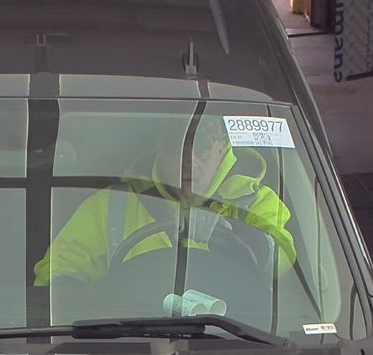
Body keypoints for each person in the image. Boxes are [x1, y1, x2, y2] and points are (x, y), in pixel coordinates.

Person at [34, 117, 299, 289]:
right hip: (133, 341)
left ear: (221, 149)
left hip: (230, 340)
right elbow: (56, 271)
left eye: (202, 149)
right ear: (158, 150)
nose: (189, 161)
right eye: (176, 149)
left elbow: (281, 263)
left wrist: (233, 232)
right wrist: (89, 305)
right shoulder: (111, 205)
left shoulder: (255, 201)